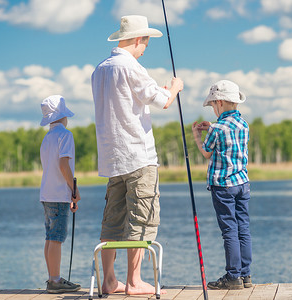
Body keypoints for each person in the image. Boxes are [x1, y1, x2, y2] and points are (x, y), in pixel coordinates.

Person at [91, 15, 184, 295]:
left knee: (112, 220)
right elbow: (162, 101)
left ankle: (109, 281)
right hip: (139, 156)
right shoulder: (132, 67)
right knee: (142, 218)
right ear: (136, 40)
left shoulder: (99, 69)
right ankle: (134, 281)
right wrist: (175, 88)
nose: (145, 49)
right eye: (145, 43)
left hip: (111, 158)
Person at [192, 80, 252, 290]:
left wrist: (197, 136)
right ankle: (245, 275)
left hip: (223, 186)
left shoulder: (217, 128)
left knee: (229, 230)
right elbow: (230, 143)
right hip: (242, 184)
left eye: (212, 106)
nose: (213, 110)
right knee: (242, 228)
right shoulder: (243, 124)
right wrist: (212, 129)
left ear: (219, 103)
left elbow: (207, 152)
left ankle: (232, 276)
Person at [39, 95, 81, 294]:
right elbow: (63, 165)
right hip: (58, 195)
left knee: (50, 237)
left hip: (46, 194)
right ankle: (55, 281)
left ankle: (52, 278)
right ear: (63, 116)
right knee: (56, 238)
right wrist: (73, 189)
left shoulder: (47, 138)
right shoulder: (65, 135)